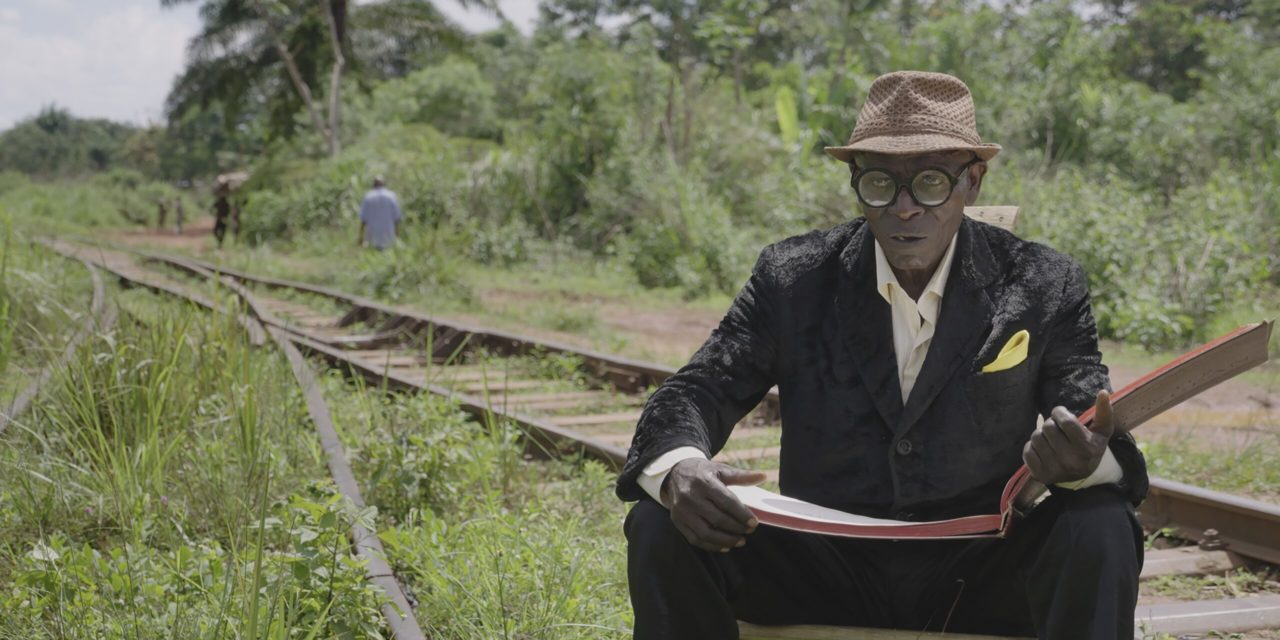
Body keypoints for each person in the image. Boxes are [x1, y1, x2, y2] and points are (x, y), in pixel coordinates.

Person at [617, 71, 1148, 640]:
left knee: (1100, 522)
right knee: (661, 519)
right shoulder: (794, 277)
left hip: (979, 573)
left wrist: (1088, 461)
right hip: (818, 567)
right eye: (878, 183)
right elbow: (698, 389)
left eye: (929, 182)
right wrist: (679, 470)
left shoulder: (1044, 281)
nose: (903, 208)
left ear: (972, 182)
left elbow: (1095, 416)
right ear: (855, 182)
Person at [357, 175, 402, 250]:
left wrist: (360, 237)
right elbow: (397, 218)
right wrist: (397, 236)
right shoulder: (391, 196)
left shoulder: (368, 196)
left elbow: (363, 220)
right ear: (384, 185)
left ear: (373, 185)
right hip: (388, 237)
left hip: (372, 237)